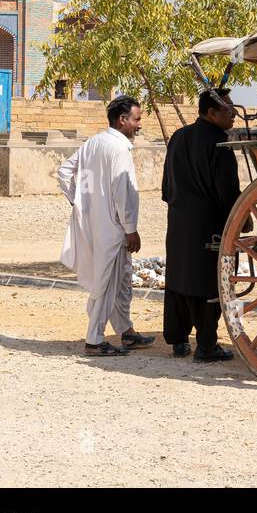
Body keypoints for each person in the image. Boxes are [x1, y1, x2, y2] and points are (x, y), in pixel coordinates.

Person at [58, 95, 153, 356]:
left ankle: (126, 332)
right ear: (122, 120)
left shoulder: (93, 142)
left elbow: (65, 171)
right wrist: (130, 228)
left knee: (121, 281)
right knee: (107, 282)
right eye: (136, 120)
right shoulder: (119, 149)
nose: (139, 125)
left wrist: (79, 202)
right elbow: (123, 191)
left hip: (93, 223)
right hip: (114, 227)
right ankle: (95, 340)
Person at [161, 89, 240, 361]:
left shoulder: (179, 137)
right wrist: (242, 221)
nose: (234, 114)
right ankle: (206, 346)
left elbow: (166, 183)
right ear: (211, 113)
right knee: (207, 282)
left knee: (179, 276)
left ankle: (178, 341)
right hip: (209, 223)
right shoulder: (220, 144)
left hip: (179, 219)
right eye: (228, 109)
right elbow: (227, 191)